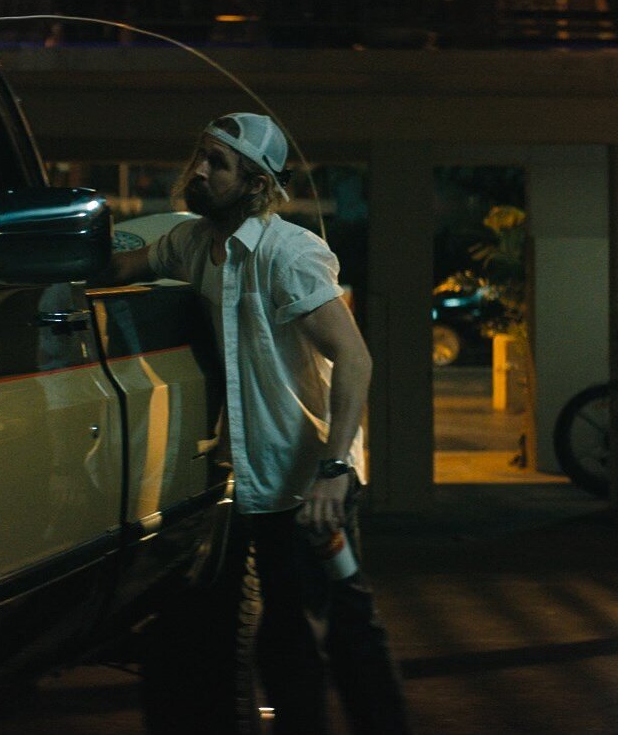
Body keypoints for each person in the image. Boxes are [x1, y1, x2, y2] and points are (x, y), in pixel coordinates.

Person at [98, 113, 409, 735]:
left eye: (217, 163)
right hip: (263, 484)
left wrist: (334, 472)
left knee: (342, 629)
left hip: (312, 485)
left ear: (256, 183)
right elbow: (119, 269)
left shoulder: (288, 253)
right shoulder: (193, 243)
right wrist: (61, 247)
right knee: (288, 637)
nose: (199, 171)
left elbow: (355, 358)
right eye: (200, 156)